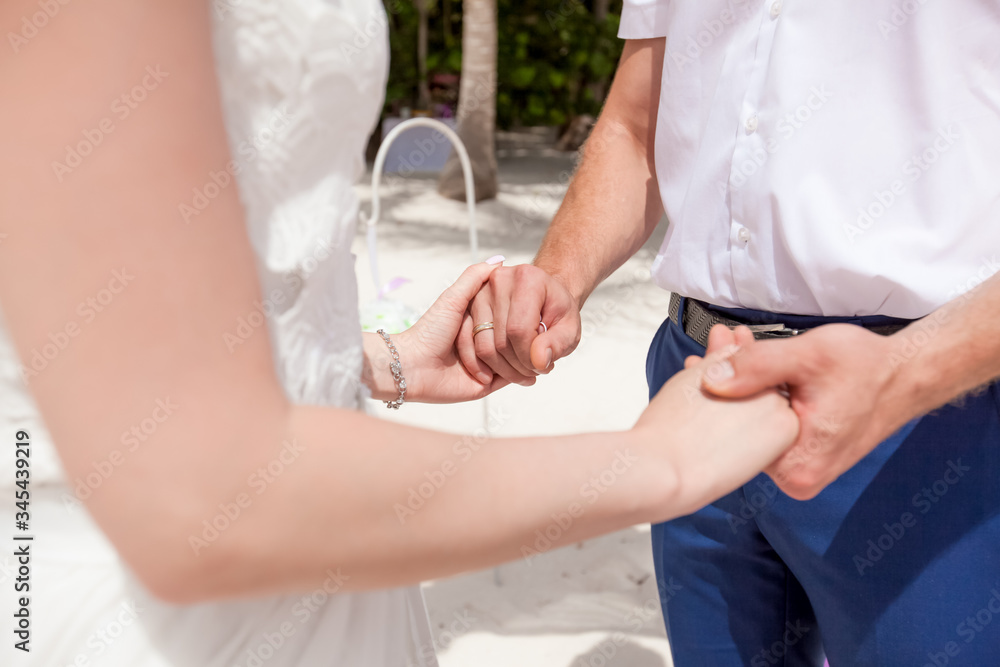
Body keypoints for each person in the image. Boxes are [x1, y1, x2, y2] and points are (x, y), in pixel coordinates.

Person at [0, 1, 799, 665]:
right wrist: (655, 462)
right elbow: (193, 493)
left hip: (333, 551)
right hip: (152, 599)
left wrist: (378, 358)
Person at [461, 2, 1000, 665]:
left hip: (924, 406)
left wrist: (905, 373)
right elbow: (635, 128)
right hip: (698, 383)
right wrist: (557, 276)